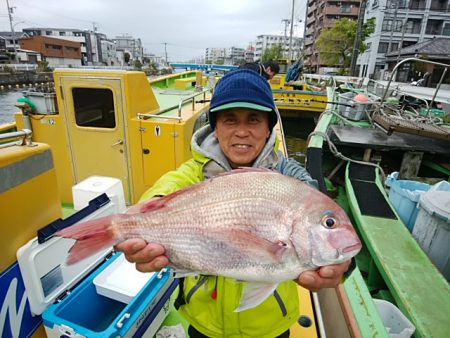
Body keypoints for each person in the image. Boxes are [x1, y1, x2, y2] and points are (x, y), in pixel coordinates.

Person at [115, 69, 351, 338]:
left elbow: (319, 209)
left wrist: (343, 265)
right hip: (205, 323)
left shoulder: (290, 178)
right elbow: (163, 192)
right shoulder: (193, 175)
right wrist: (139, 220)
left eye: (253, 119)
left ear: (268, 127)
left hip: (270, 327)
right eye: (229, 120)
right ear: (215, 127)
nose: (242, 132)